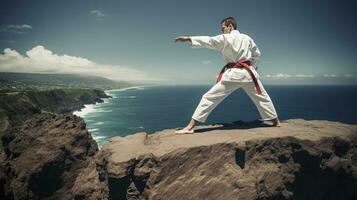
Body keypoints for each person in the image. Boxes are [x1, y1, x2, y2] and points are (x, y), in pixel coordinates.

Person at [174, 17, 280, 134]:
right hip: (249, 75)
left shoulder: (225, 38)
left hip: (232, 76)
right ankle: (276, 122)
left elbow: (209, 40)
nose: (222, 30)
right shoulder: (247, 38)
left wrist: (189, 39)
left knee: (209, 98)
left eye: (223, 27)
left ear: (230, 26)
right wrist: (252, 68)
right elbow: (257, 54)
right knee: (262, 97)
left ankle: (190, 127)